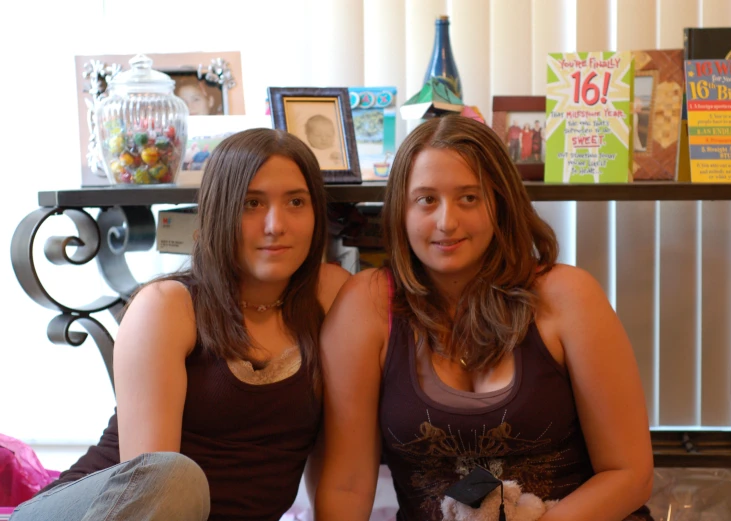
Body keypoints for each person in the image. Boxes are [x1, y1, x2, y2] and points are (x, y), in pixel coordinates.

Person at [316, 115, 654, 521]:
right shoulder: (365, 304)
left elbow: (629, 474)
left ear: (499, 203)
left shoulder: (568, 295)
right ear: (400, 211)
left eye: (469, 198)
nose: (447, 222)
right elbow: (345, 486)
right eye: (426, 200)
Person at [11, 128, 350, 521]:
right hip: (96, 511)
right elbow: (152, 488)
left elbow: (340, 475)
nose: (276, 224)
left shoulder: (332, 298)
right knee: (174, 476)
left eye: (296, 201)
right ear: (219, 212)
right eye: (251, 204)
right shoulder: (167, 306)